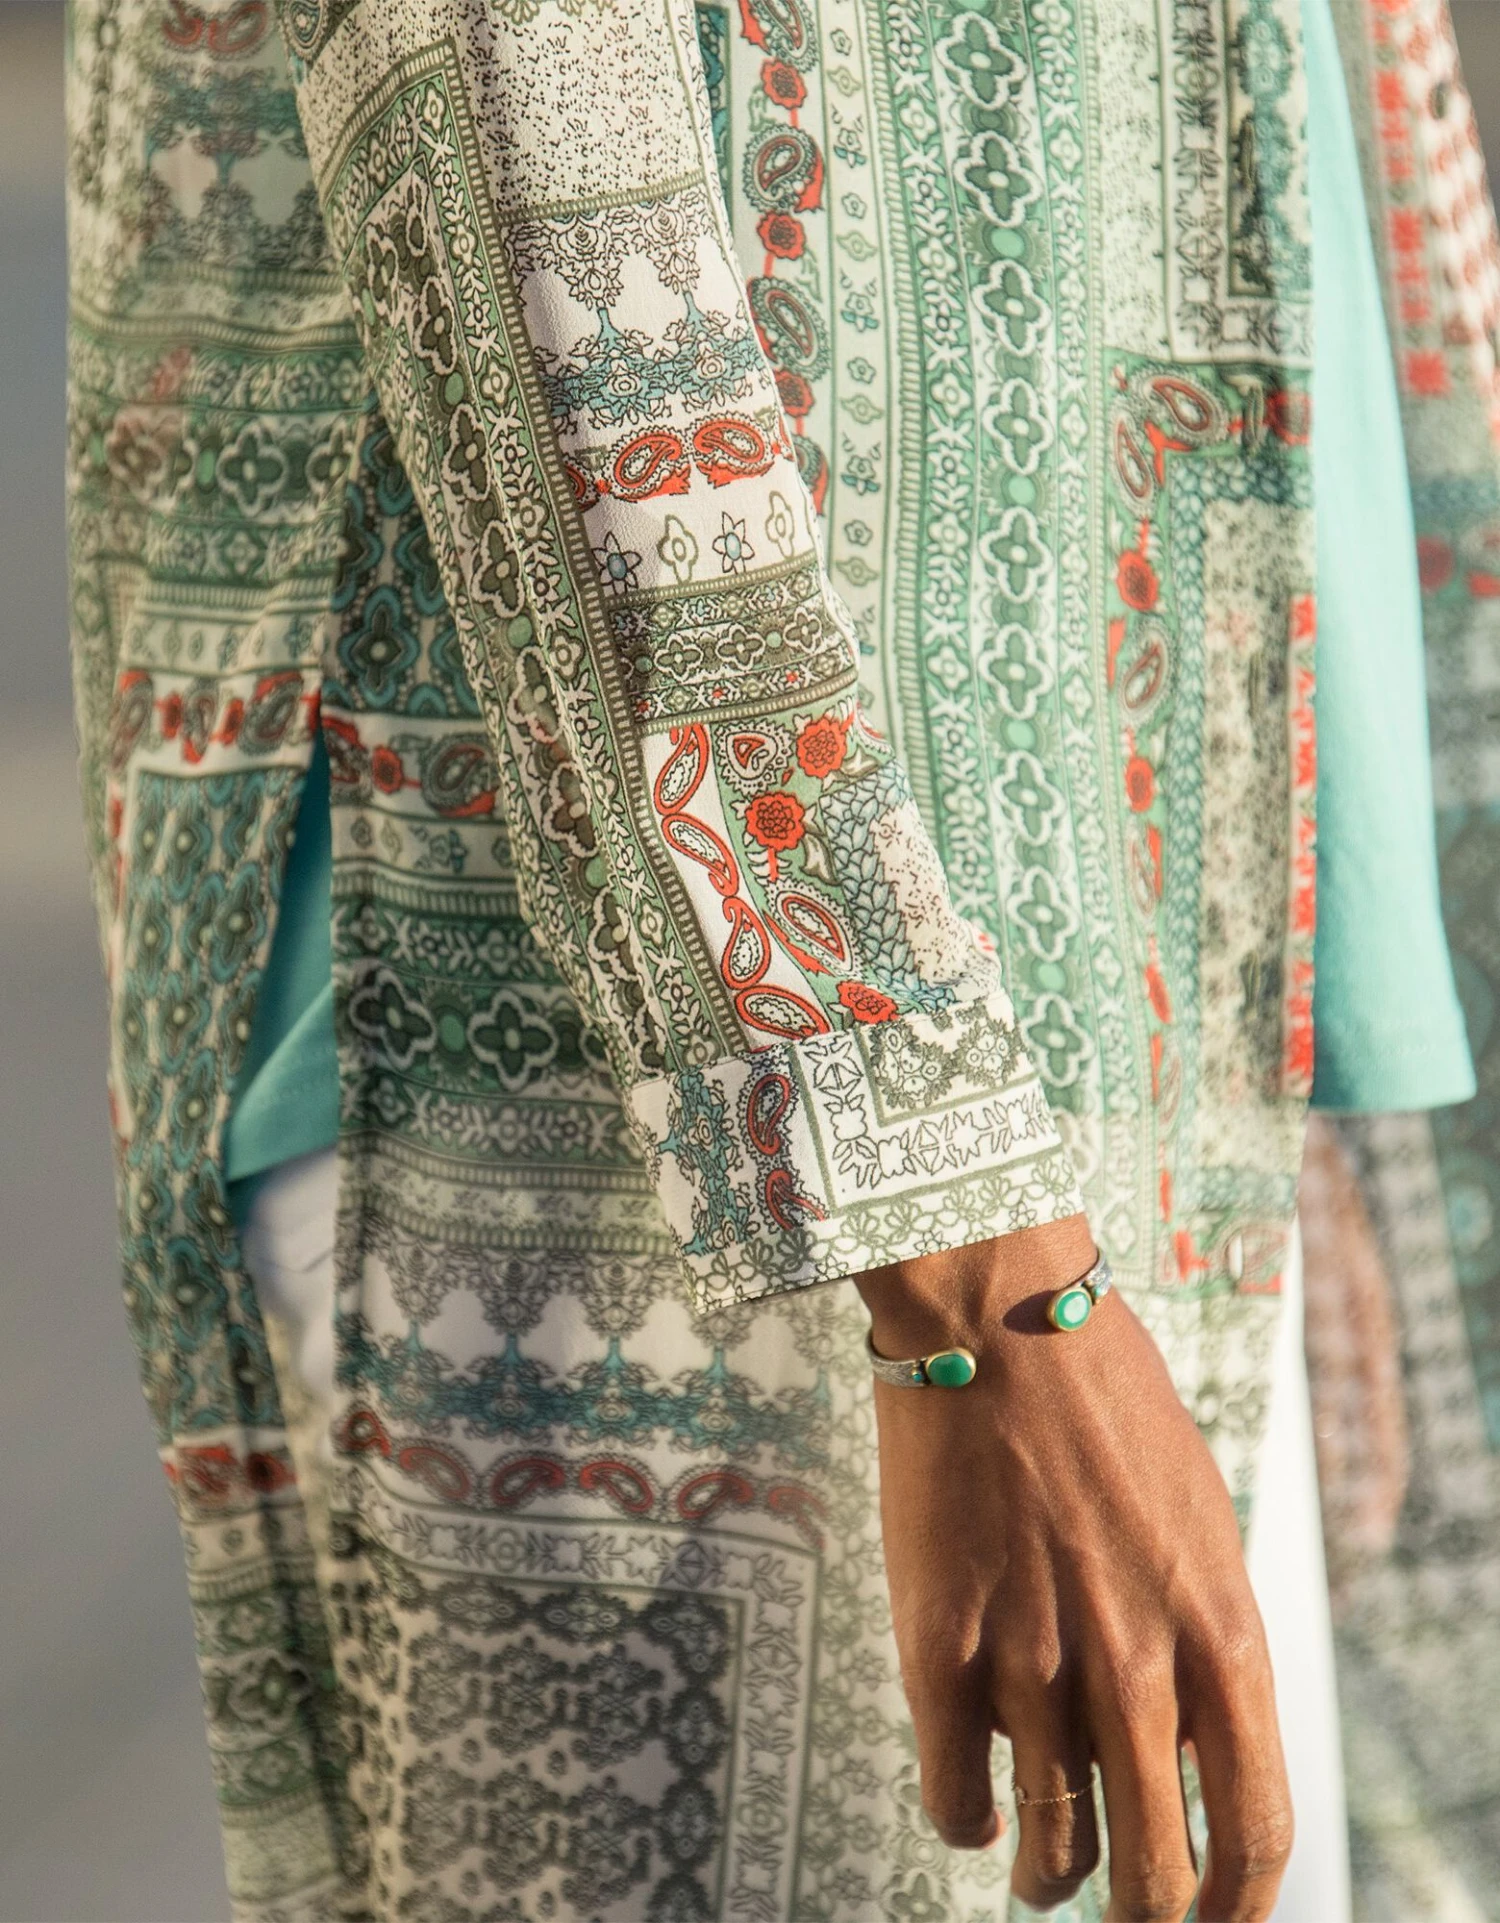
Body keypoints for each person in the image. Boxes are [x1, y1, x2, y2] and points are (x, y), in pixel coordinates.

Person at [63, 0, 1474, 1915]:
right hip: (634, 1076)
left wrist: (1321, 1055)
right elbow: (516, 108)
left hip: (1163, 1047)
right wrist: (969, 1259)